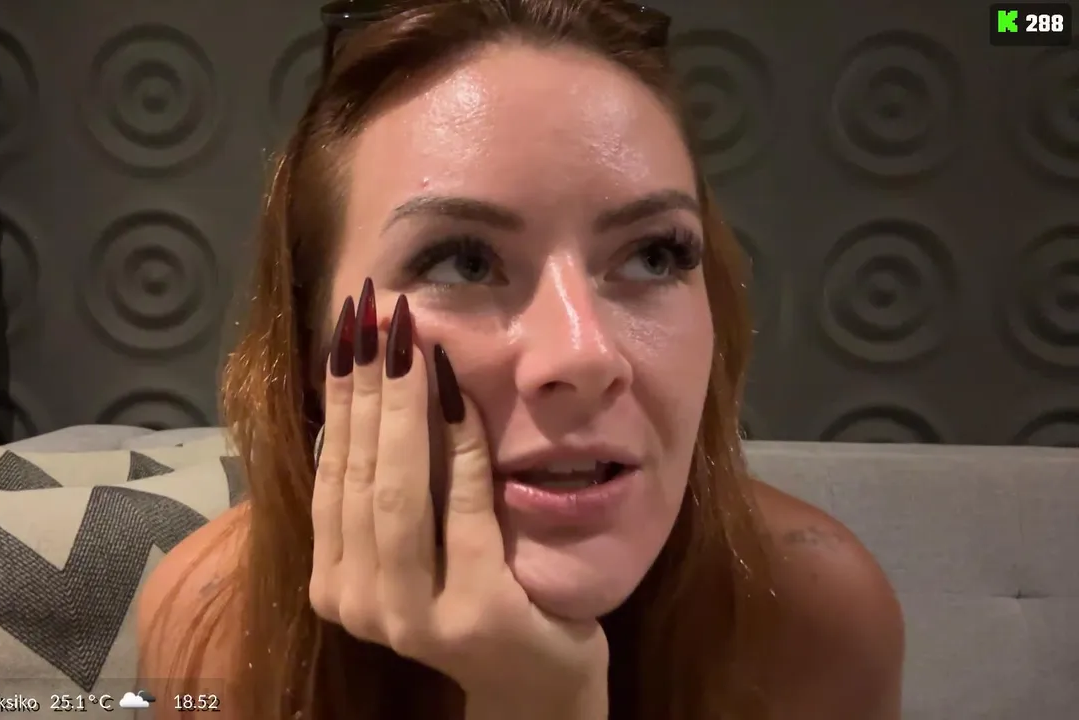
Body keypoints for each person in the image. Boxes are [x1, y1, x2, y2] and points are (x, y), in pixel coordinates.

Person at [139, 1, 904, 718]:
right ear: (315, 343)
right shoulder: (213, 632)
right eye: (464, 263)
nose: (585, 353)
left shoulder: (812, 624)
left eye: (654, 255)